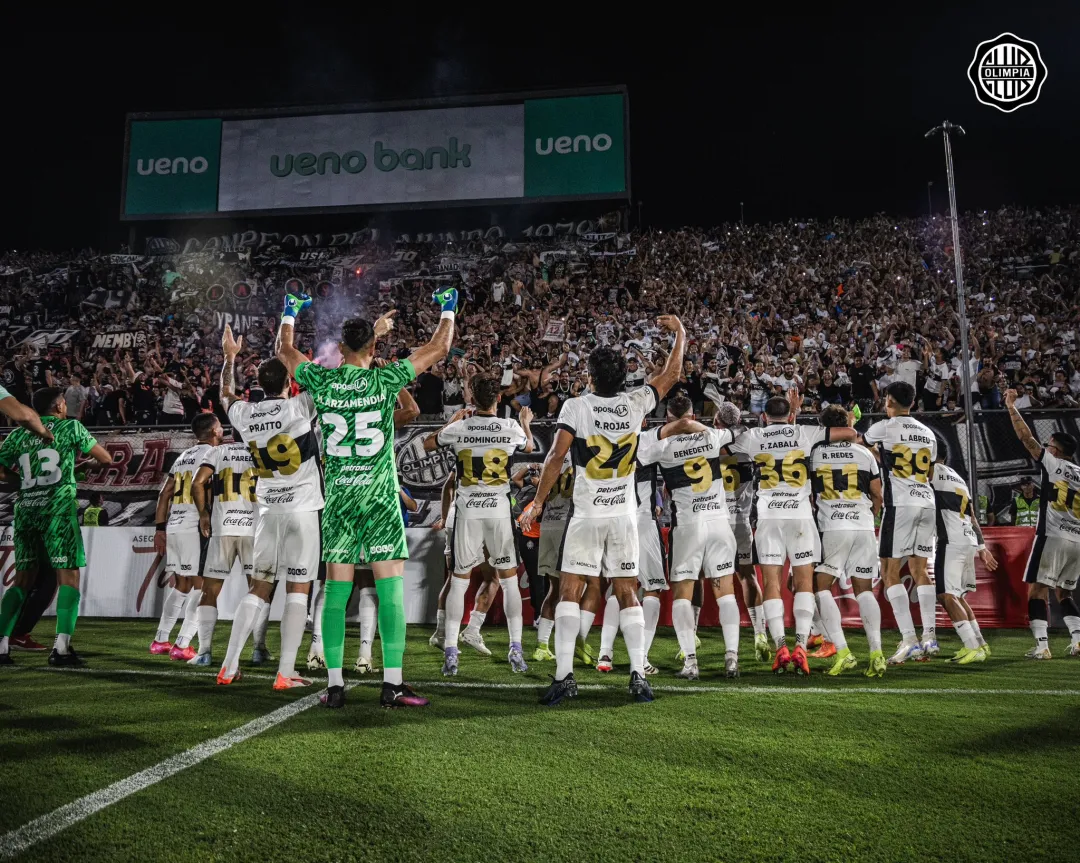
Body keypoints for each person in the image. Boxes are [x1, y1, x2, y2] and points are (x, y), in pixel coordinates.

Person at [277, 288, 456, 709]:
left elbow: (285, 350)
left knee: (336, 593)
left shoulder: (321, 379)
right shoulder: (385, 377)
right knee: (389, 589)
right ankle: (392, 684)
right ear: (374, 348)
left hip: (338, 499)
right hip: (378, 497)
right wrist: (448, 306)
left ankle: (335, 686)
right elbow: (440, 346)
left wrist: (289, 311)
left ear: (339, 348)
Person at [522, 314, 687, 706]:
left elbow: (556, 457)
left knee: (569, 590)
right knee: (628, 591)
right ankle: (637, 675)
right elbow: (672, 372)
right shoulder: (636, 403)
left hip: (588, 515)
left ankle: (564, 676)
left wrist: (538, 501)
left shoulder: (576, 407)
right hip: (624, 513)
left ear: (591, 377)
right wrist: (680, 332)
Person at [217, 325, 321, 691]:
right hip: (302, 510)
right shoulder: (299, 405)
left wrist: (229, 356)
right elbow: (318, 382)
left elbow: (225, 394)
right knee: (298, 589)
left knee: (258, 587)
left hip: (266, 513)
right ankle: (285, 672)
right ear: (289, 382)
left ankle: (229, 666)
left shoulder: (244, 415)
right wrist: (290, 336)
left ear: (259, 384)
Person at [728, 391, 860, 674]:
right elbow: (849, 432)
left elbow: (724, 450)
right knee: (804, 584)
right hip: (800, 518)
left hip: (769, 518)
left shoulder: (753, 437)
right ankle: (801, 644)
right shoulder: (804, 432)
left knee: (773, 584)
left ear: (764, 417)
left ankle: (781, 648)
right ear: (789, 415)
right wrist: (797, 422)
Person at [424, 377, 535, 675]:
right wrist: (525, 422)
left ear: (472, 398)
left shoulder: (461, 427)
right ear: (498, 399)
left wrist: (451, 422)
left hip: (468, 511)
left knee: (459, 581)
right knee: (509, 581)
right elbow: (531, 445)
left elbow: (427, 443)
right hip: (498, 511)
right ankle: (515, 648)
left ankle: (451, 650)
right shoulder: (509, 427)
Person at [0, 387, 112, 666]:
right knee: (68, 578)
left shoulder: (17, 434)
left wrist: (24, 482)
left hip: (26, 510)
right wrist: (87, 466)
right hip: (57, 510)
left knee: (22, 581)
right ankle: (61, 649)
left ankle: (2, 646)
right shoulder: (71, 427)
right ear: (60, 405)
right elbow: (106, 459)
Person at [637, 394, 741, 679]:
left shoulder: (662, 445)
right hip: (719, 523)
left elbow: (638, 453)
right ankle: (731, 658)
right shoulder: (712, 437)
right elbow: (734, 429)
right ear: (693, 416)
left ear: (668, 418)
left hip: (689, 526)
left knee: (682, 595)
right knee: (726, 593)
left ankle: (691, 663)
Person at [861, 381, 939, 664]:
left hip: (901, 504)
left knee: (888, 569)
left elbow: (861, 447)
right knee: (920, 568)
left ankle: (909, 640)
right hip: (926, 501)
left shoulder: (884, 427)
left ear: (888, 401)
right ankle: (930, 636)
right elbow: (930, 471)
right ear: (913, 403)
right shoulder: (929, 433)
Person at [1003, 389, 1080, 658]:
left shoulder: (1053, 464)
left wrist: (1012, 407)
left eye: (1049, 445)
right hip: (1077, 540)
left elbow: (1026, 438)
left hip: (1053, 535)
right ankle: (1078, 640)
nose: (1045, 447)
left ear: (1057, 451)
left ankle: (1042, 646)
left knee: (1036, 591)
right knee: (1065, 593)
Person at [810, 404, 885, 677]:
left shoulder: (815, 453)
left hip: (832, 526)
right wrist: (869, 515)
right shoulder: (865, 453)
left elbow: (808, 493)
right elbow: (878, 496)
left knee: (821, 587)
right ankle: (876, 652)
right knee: (864, 589)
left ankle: (842, 651)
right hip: (863, 525)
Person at [149, 413, 222, 661]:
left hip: (175, 524)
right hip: (194, 524)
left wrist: (160, 528)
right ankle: (183, 644)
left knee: (182, 585)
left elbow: (164, 494)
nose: (222, 431)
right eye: (220, 427)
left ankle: (160, 640)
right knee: (201, 586)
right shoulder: (211, 455)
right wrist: (205, 515)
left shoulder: (183, 456)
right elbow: (203, 488)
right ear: (213, 431)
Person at [189, 431, 257, 667]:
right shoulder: (259, 450)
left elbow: (197, 482)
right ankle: (259, 649)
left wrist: (203, 514)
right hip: (254, 528)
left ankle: (204, 652)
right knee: (258, 591)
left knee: (209, 591)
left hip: (223, 527)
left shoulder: (217, 451)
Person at [931, 453, 998, 664]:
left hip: (951, 540)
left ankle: (972, 646)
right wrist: (982, 547)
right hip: (968, 538)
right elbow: (972, 515)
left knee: (945, 595)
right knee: (957, 595)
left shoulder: (932, 472)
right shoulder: (958, 478)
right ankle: (980, 643)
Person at [715, 402, 769, 663]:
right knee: (748, 576)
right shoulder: (751, 447)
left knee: (707, 578)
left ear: (718, 423)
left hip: (715, 521)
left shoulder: (711, 445)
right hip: (741, 523)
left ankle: (690, 639)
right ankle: (760, 633)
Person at [530, 451, 574, 663]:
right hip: (569, 524)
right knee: (573, 590)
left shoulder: (553, 456)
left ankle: (542, 645)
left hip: (548, 523)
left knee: (554, 589)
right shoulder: (583, 451)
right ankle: (570, 645)